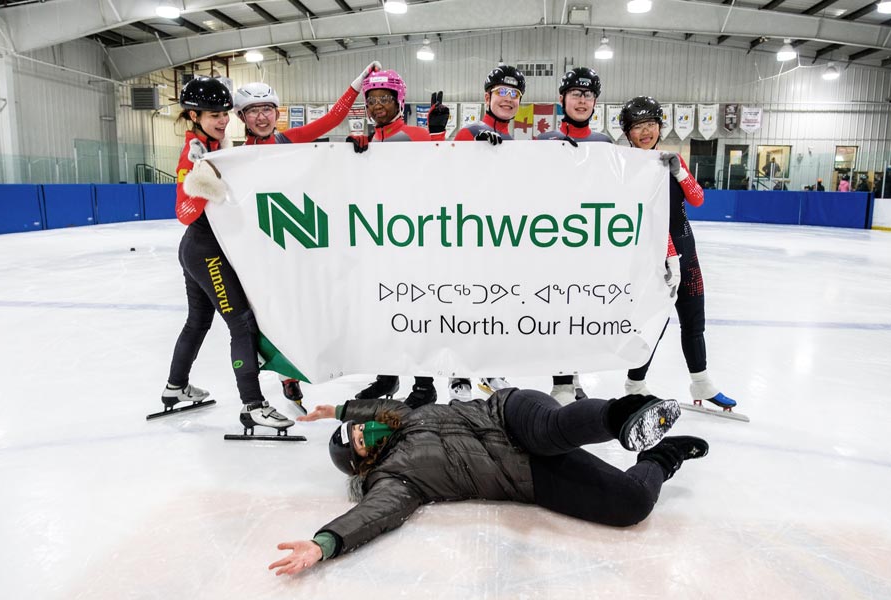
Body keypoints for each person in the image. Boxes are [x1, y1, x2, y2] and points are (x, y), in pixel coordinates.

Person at [267, 389, 706, 576]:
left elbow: (378, 407)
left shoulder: (403, 416)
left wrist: (340, 411)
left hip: (509, 414)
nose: (366, 434)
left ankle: (628, 412)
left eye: (362, 428)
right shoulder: (394, 478)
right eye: (359, 443)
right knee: (629, 504)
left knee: (552, 427)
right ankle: (662, 455)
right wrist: (325, 543)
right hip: (524, 475)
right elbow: (373, 514)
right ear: (361, 463)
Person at [232, 61, 381, 412]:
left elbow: (329, 122)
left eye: (267, 109)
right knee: (262, 318)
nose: (262, 117)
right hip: (257, 251)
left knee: (297, 310)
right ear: (242, 117)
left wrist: (355, 85)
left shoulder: (287, 140)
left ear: (277, 112)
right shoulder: (233, 158)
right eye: (253, 111)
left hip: (293, 242)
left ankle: (293, 372)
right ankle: (281, 380)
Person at [158, 76, 293, 434]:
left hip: (199, 248)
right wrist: (201, 174)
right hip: (205, 249)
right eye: (212, 114)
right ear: (193, 115)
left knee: (198, 322)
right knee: (242, 323)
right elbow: (184, 213)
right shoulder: (194, 150)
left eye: (223, 113)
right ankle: (254, 405)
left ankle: (176, 386)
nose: (221, 120)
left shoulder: (214, 143)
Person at [538, 69, 679, 405]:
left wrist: (665, 248)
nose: (582, 100)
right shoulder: (543, 143)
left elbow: (630, 199)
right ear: (563, 100)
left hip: (592, 244)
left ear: (595, 102)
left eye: (588, 95)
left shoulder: (605, 144)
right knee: (559, 312)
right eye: (575, 93)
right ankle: (561, 381)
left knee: (583, 312)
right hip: (552, 241)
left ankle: (575, 376)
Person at [618, 96, 737, 411]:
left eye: (651, 125)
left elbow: (697, 200)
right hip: (652, 256)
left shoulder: (673, 159)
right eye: (638, 127)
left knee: (694, 319)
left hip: (687, 248)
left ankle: (702, 382)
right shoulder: (625, 168)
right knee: (653, 324)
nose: (646, 132)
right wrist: (669, 255)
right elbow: (645, 219)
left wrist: (679, 172)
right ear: (628, 132)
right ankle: (635, 383)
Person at [345, 69, 438, 409]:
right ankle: (387, 376)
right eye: (371, 100)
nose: (377, 105)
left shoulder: (415, 134)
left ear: (398, 100)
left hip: (413, 237)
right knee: (382, 312)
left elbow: (444, 167)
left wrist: (438, 133)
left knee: (414, 311)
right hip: (378, 239)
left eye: (384, 98)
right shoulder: (367, 141)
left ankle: (424, 384)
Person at [444, 65, 527, 401]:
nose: (507, 100)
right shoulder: (468, 131)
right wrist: (471, 152)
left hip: (500, 235)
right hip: (466, 232)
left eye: (514, 95)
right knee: (462, 301)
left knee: (496, 303)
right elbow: (442, 172)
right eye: (501, 93)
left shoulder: (518, 142)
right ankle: (457, 374)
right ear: (487, 97)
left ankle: (492, 368)